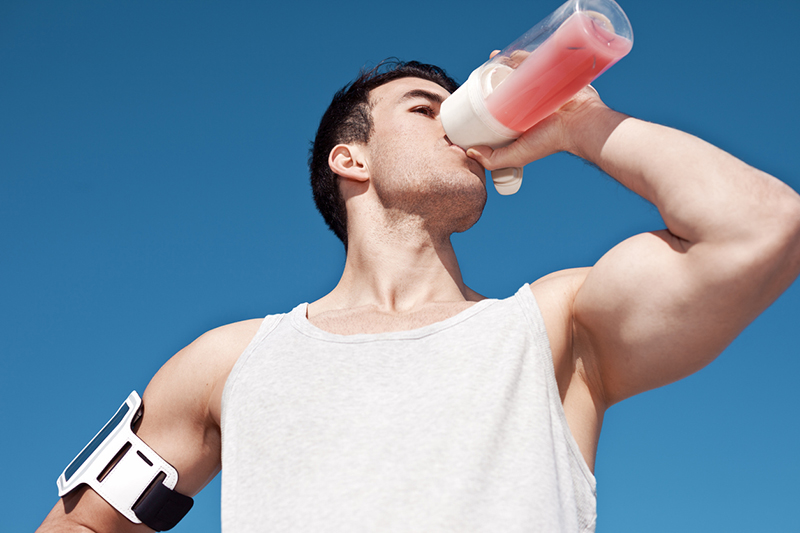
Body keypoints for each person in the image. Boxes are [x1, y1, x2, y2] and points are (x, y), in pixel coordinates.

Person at [38, 59, 800, 532]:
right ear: (351, 157)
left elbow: (763, 227)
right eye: (426, 107)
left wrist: (577, 121)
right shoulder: (230, 361)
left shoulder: (553, 328)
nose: (462, 119)